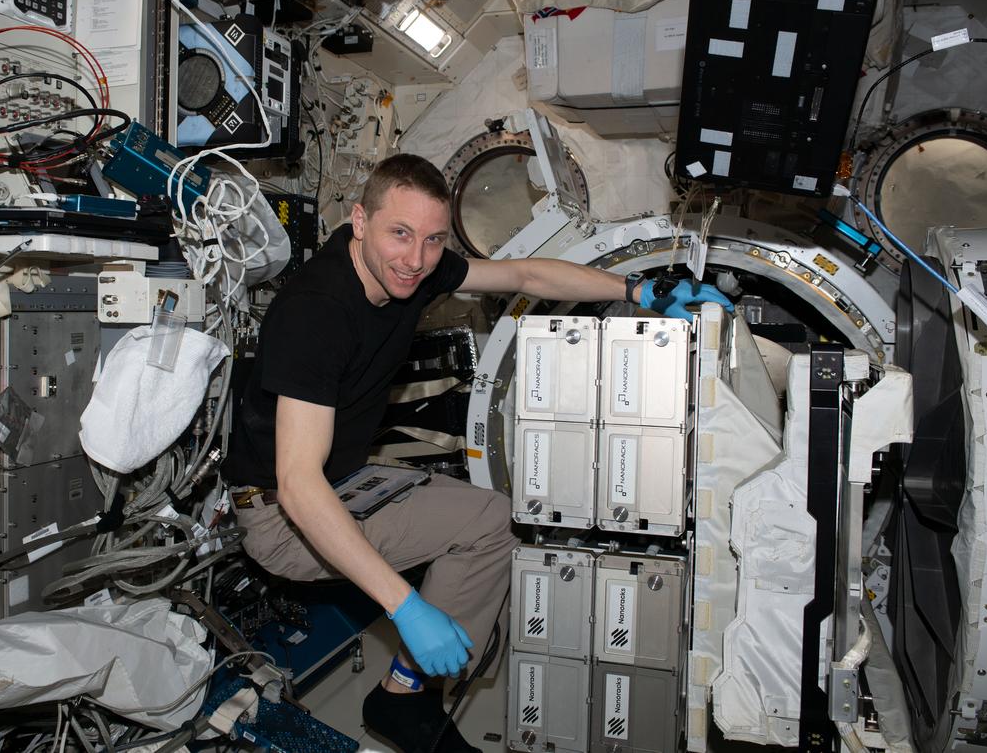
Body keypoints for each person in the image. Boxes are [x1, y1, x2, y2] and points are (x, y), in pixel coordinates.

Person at [222, 154, 733, 753]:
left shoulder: (413, 268)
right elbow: (299, 485)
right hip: (281, 517)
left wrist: (638, 289)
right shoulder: (318, 312)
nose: (416, 259)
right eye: (400, 234)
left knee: (494, 518)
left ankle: (416, 678)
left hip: (345, 482)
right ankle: (404, 697)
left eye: (433, 239)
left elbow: (527, 276)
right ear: (359, 221)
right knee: (485, 532)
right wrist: (406, 608)